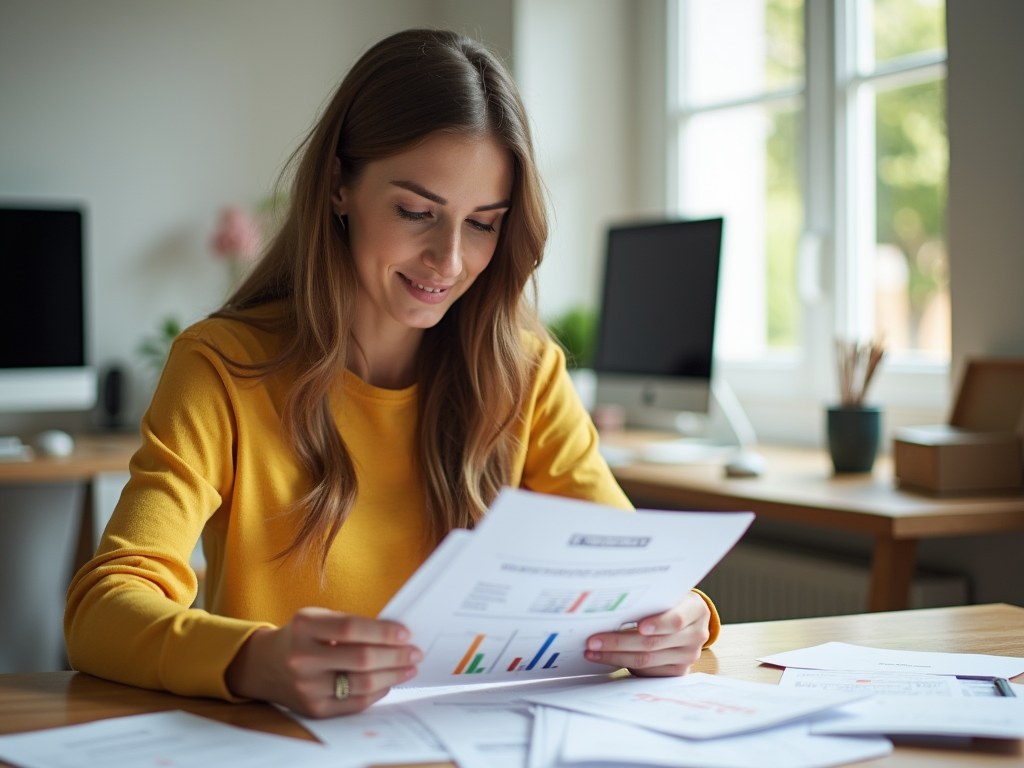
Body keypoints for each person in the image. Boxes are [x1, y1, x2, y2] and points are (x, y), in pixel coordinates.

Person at [65, 28, 719, 718]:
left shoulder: (526, 373)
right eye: (416, 212)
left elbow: (639, 575)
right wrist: (256, 659)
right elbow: (102, 609)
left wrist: (686, 617)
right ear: (340, 185)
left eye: (483, 224)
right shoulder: (223, 368)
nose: (450, 259)